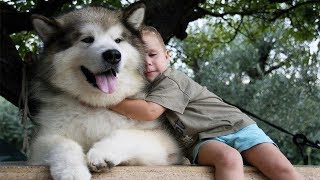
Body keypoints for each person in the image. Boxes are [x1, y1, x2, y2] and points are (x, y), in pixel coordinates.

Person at [111, 26, 304, 180]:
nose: (148, 63)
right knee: (229, 158)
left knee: (283, 171)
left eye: (152, 55)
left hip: (237, 127)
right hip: (204, 140)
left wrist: (108, 102)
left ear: (167, 55)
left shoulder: (173, 80)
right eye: (140, 59)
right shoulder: (138, 88)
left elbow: (150, 111)